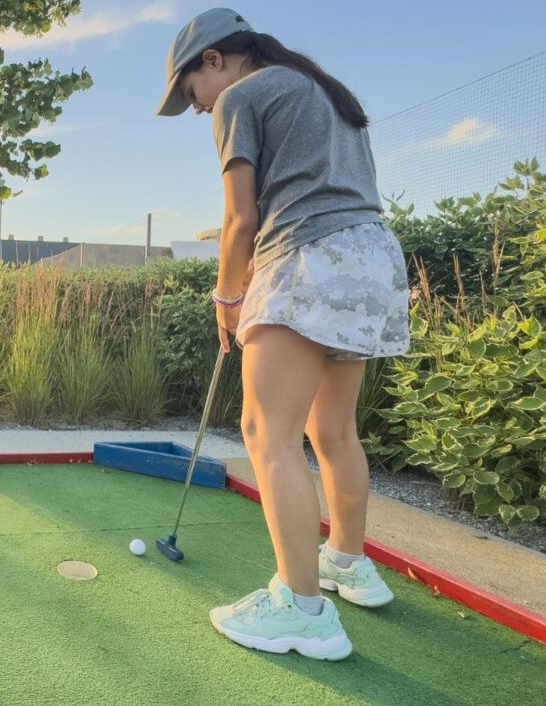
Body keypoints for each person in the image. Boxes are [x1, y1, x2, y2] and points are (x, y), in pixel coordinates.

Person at [156, 8, 411, 660]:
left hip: (305, 257)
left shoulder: (239, 97)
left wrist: (227, 298)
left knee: (266, 432)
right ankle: (347, 562)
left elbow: (241, 219)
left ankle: (301, 609)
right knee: (332, 430)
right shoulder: (320, 88)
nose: (195, 109)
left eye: (190, 93)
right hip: (371, 257)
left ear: (214, 60)